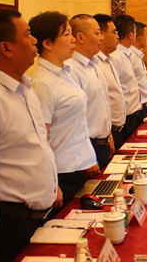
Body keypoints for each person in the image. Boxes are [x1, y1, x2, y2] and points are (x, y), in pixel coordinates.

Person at [0, 10, 58, 262]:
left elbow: (36, 145)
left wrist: (52, 184)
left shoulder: (25, 88)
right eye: (28, 35)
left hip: (41, 214)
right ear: (6, 48)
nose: (35, 41)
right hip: (12, 222)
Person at [29, 11, 99, 219]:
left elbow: (77, 124)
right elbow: (41, 139)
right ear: (47, 43)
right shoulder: (42, 83)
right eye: (66, 34)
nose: (73, 39)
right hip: (61, 174)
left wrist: (89, 157)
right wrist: (51, 182)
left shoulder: (64, 73)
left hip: (77, 168)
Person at [67, 14, 115, 169]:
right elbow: (75, 119)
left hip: (103, 143)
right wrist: (86, 156)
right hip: (88, 147)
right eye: (97, 33)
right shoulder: (71, 69)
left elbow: (102, 106)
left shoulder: (95, 64)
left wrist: (109, 136)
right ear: (80, 37)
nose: (101, 37)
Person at [94, 14, 127, 151]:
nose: (118, 36)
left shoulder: (109, 59)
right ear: (101, 34)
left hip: (117, 130)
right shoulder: (94, 63)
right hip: (105, 135)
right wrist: (109, 135)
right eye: (114, 32)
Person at [111, 14, 143, 141]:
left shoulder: (127, 54)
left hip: (133, 114)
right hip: (125, 118)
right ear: (130, 35)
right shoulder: (116, 57)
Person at [131, 21, 147, 120]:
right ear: (139, 37)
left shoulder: (138, 54)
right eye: (146, 35)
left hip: (144, 105)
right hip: (137, 108)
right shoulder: (130, 56)